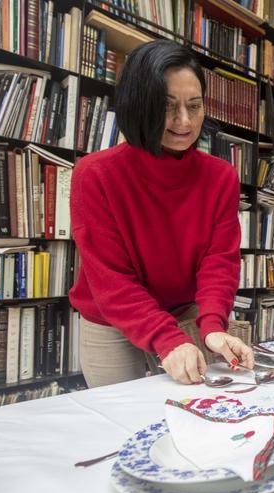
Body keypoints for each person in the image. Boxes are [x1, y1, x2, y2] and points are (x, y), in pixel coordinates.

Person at [69, 40, 254, 387]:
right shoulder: (94, 174)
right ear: (140, 106)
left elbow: (219, 260)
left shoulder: (221, 176)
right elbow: (112, 280)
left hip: (186, 311)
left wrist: (213, 325)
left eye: (194, 106)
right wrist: (167, 340)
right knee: (124, 425)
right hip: (111, 320)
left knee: (198, 413)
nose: (184, 121)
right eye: (167, 106)